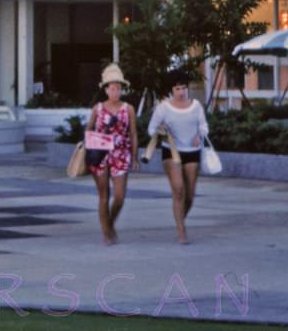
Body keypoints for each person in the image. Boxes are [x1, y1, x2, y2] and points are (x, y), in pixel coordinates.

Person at [147, 69, 209, 244]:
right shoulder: (163, 108)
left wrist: (200, 135)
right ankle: (181, 230)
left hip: (192, 152)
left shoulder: (196, 106)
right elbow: (151, 128)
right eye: (177, 89)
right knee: (179, 189)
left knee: (190, 195)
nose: (181, 92)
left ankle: (180, 218)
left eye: (183, 88)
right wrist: (162, 132)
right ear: (171, 91)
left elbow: (204, 126)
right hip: (171, 152)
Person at [85, 63, 138, 245]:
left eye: (118, 88)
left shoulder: (128, 108)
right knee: (104, 195)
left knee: (120, 196)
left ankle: (110, 222)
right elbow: (88, 131)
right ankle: (106, 233)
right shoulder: (98, 109)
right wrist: (89, 150)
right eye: (112, 88)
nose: (115, 91)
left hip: (121, 154)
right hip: (100, 155)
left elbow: (133, 133)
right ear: (106, 89)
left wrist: (135, 156)